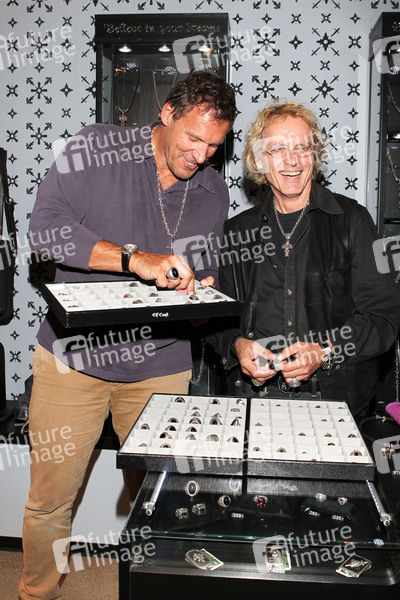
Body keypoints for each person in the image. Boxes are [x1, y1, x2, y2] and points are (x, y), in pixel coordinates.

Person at [18, 71, 236, 600]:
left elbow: (200, 270)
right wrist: (134, 259)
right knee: (51, 502)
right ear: (166, 113)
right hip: (74, 360)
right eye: (193, 138)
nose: (201, 156)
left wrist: (201, 295)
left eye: (214, 146)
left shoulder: (213, 189)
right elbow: (45, 232)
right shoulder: (96, 147)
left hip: (160, 366)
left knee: (159, 502)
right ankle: (36, 594)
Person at [212, 99, 399, 416]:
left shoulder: (352, 221)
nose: (292, 160)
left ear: (315, 155)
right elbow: (217, 318)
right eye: (278, 149)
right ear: (259, 160)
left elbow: (384, 318)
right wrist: (237, 345)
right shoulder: (236, 232)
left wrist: (326, 351)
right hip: (253, 400)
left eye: (302, 147)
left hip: (334, 402)